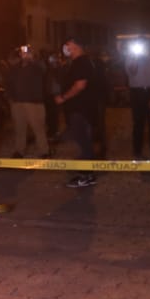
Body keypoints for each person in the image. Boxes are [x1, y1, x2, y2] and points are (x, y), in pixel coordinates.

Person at [56, 37, 98, 188]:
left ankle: (86, 176)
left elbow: (80, 85)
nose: (65, 47)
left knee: (84, 143)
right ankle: (87, 174)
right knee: (83, 143)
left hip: (81, 110)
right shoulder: (77, 62)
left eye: (68, 44)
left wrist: (63, 97)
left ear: (77, 46)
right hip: (79, 109)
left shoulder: (82, 62)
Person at [6, 45, 50, 159]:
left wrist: (33, 58)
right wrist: (11, 97)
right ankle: (19, 150)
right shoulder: (15, 68)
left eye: (27, 52)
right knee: (19, 128)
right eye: (22, 52)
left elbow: (44, 70)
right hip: (18, 103)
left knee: (38, 128)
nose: (24, 54)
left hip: (33, 103)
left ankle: (44, 151)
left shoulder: (37, 66)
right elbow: (9, 82)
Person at [124, 41, 150, 159]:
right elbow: (132, 71)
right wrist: (136, 57)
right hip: (137, 93)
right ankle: (137, 151)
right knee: (138, 123)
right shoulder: (130, 58)